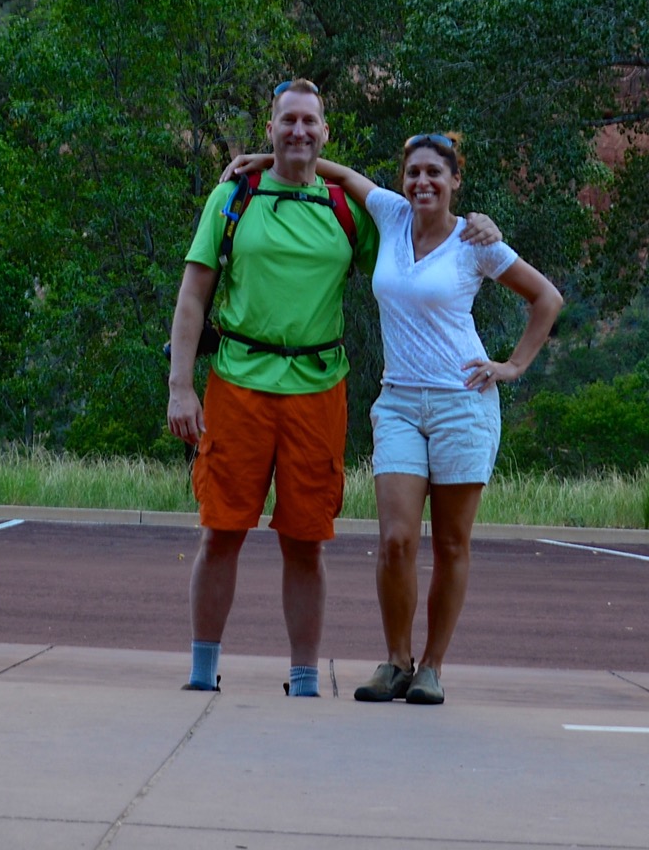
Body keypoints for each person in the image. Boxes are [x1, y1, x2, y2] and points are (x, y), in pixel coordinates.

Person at [167, 82, 498, 698]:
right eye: (287, 121)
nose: (298, 131)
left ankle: (303, 681)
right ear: (271, 128)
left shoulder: (347, 210)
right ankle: (202, 672)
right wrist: (180, 386)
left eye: (309, 122)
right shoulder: (232, 197)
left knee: (306, 540)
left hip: (318, 390)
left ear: (324, 132)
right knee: (220, 531)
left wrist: (475, 224)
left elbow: (423, 236)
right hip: (237, 383)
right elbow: (193, 295)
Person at [229, 130, 562, 707]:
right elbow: (338, 172)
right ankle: (396, 661)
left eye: (435, 173)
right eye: (413, 173)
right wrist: (267, 159)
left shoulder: (476, 240)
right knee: (396, 540)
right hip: (400, 403)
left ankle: (432, 667)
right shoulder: (388, 213)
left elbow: (546, 298)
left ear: (455, 181)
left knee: (451, 544)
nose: (422, 182)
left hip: (462, 404)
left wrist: (512, 366)